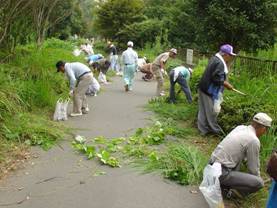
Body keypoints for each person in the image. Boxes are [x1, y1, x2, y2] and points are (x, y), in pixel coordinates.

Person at [209, 113, 272, 198]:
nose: (265, 132)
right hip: (221, 173)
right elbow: (253, 170)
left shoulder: (240, 128)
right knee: (259, 182)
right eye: (266, 130)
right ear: (263, 128)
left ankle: (223, 185)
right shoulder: (253, 140)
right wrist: (260, 180)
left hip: (211, 166)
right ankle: (230, 193)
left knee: (239, 158)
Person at [197, 44, 236, 135]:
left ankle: (203, 131)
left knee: (202, 110)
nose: (231, 58)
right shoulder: (219, 62)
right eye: (230, 55)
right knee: (211, 112)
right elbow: (216, 78)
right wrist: (226, 84)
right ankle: (217, 131)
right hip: (208, 90)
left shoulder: (214, 58)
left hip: (203, 87)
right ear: (225, 54)